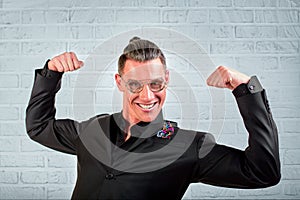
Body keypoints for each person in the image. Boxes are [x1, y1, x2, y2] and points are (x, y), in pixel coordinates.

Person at [25, 37, 280, 200]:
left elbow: (263, 172)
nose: (147, 96)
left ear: (166, 80)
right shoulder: (93, 129)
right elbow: (39, 127)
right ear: (119, 82)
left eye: (156, 84)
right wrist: (51, 73)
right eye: (135, 84)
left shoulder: (189, 147)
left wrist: (247, 90)